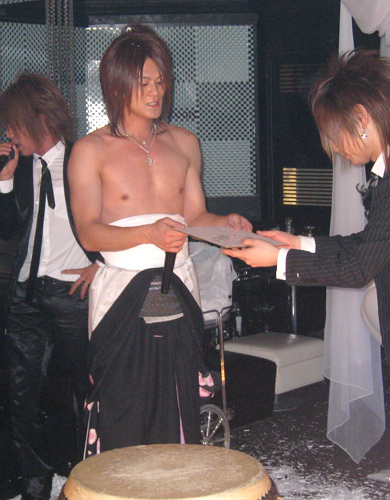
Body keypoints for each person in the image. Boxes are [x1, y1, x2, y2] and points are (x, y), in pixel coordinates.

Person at [223, 49, 390, 500]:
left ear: (362, 118)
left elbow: (358, 266)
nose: (335, 149)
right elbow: (369, 245)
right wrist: (297, 244)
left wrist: (278, 261)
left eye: (334, 136)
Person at [67, 24, 252, 456]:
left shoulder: (184, 142)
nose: (156, 93)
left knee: (179, 399)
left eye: (161, 81)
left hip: (178, 285)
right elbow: (88, 231)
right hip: (121, 292)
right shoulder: (91, 150)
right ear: (117, 85)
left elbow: (194, 217)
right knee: (123, 405)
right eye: (144, 83)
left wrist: (225, 224)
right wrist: (148, 233)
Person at [0, 74, 99, 500]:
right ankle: (35, 485)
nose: (8, 134)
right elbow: (9, 230)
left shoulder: (83, 159)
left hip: (72, 294)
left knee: (88, 392)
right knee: (22, 396)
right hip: (26, 296)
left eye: (13, 124)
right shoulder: (22, 168)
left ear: (38, 118)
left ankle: (92, 479)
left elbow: (115, 215)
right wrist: (5, 180)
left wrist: (102, 264)